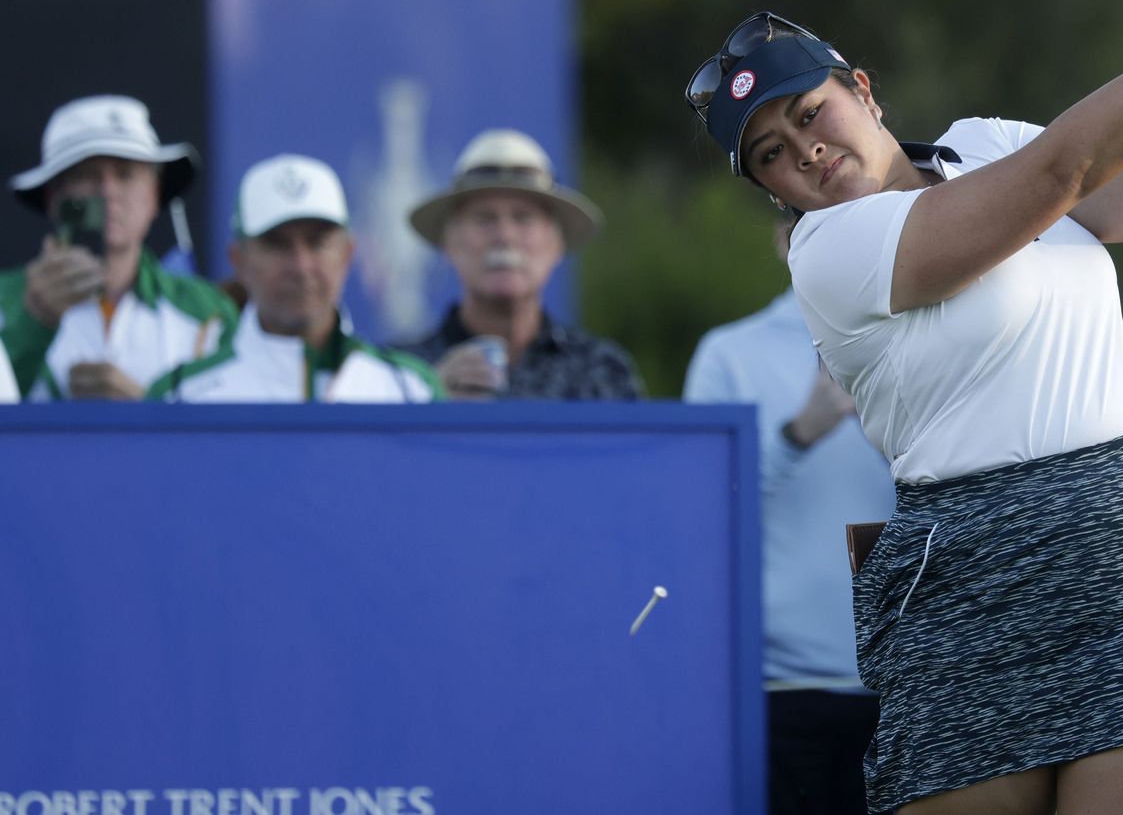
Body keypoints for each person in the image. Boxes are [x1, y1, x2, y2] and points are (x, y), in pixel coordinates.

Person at [686, 0, 1123, 815]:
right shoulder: (828, 253)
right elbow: (1059, 173)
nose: (803, 150)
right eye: (770, 153)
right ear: (768, 189)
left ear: (863, 90)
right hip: (966, 574)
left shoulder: (986, 142)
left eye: (811, 113)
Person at [684, 222, 897, 815]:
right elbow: (695, 516)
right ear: (782, 238)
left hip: (912, 688)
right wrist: (799, 433)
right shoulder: (730, 352)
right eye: (809, 223)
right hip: (774, 692)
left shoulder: (919, 340)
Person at [148, 154, 442, 402]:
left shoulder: (409, 389)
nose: (301, 266)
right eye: (277, 244)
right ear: (239, 262)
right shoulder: (181, 396)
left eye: (317, 243)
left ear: (347, 254)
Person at [0, 95, 237, 400]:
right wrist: (33, 322)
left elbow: (225, 440)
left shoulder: (210, 311)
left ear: (154, 194)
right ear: (53, 197)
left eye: (125, 174)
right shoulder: (5, 300)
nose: (107, 191)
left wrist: (143, 410)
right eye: (87, 175)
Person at [399, 130, 643, 399]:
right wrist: (428, 397)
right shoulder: (400, 374)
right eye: (484, 218)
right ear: (449, 242)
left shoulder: (602, 371)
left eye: (523, 218)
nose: (505, 236)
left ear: (557, 243)